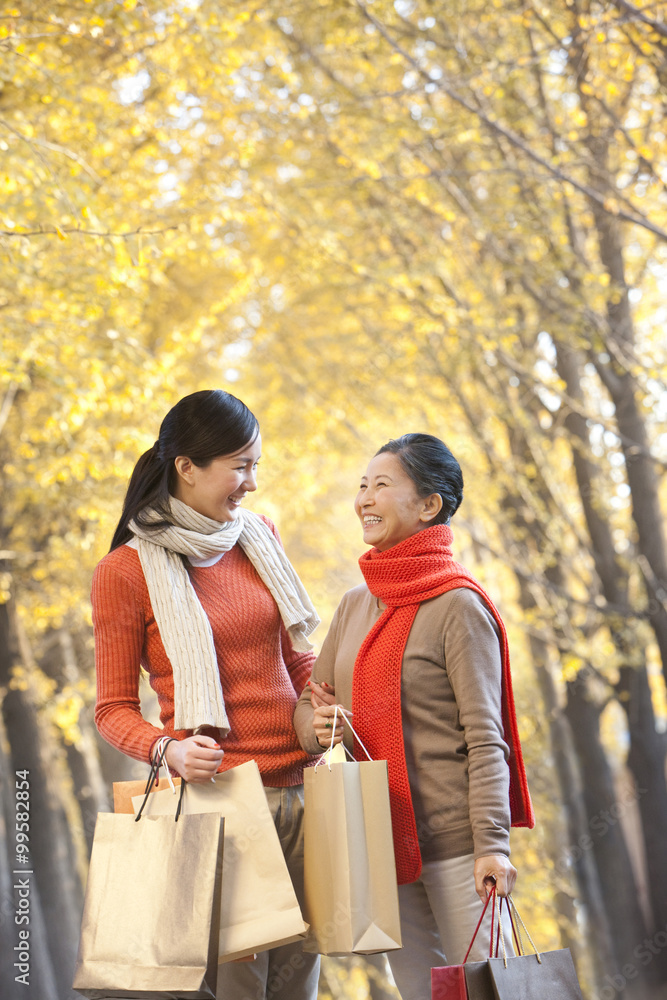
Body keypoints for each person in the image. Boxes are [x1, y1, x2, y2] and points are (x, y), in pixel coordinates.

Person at [92, 388, 321, 1000]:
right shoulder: (124, 571)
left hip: (304, 792)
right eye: (238, 467)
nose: (250, 483)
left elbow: (295, 656)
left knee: (298, 986)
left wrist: (320, 704)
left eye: (255, 466)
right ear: (187, 468)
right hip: (221, 804)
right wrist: (166, 749)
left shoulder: (259, 536)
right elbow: (111, 708)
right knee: (241, 988)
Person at [293, 433, 534, 1000]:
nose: (363, 499)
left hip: (458, 848)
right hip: (379, 841)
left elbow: (486, 737)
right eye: (361, 486)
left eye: (381, 485)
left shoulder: (458, 605)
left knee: (488, 989)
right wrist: (317, 726)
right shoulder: (355, 604)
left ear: (429, 505)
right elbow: (309, 701)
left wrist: (492, 844)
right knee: (423, 993)